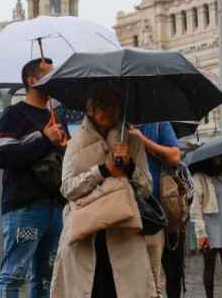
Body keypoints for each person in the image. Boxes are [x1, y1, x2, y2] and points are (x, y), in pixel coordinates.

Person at [50, 82, 157, 298]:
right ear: (90, 108)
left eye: (114, 105)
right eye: (103, 105)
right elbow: (68, 188)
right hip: (85, 233)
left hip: (124, 231)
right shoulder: (76, 143)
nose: (110, 110)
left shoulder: (132, 140)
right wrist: (102, 170)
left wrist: (129, 167)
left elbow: (146, 188)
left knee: (122, 289)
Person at [0, 58, 68, 298]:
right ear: (32, 80)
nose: (53, 80)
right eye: (48, 75)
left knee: (47, 276)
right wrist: (45, 140)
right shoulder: (13, 115)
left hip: (55, 208)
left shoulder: (57, 117)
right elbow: (4, 156)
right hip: (26, 211)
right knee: (14, 272)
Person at [128, 121, 182, 297]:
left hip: (152, 214)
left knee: (153, 279)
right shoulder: (116, 122)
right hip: (123, 210)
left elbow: (175, 156)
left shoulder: (158, 123)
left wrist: (142, 140)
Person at [191, 158, 222, 298]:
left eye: (220, 160)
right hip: (208, 225)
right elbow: (195, 207)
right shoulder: (198, 177)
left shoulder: (221, 177)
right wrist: (201, 233)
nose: (219, 162)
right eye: (216, 160)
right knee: (209, 266)